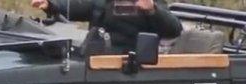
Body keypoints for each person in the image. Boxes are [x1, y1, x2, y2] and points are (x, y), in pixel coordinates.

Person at [30, 0, 182, 53]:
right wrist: (51, 5)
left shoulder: (150, 3)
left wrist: (152, 9)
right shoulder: (103, 3)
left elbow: (174, 28)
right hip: (99, 61)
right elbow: (77, 7)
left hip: (134, 63)